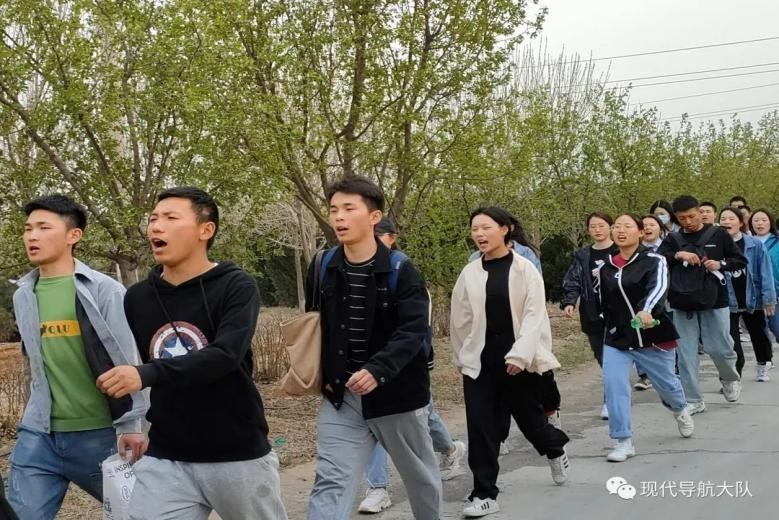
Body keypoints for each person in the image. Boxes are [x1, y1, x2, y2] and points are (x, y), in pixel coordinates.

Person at [97, 187, 287, 520]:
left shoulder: (236, 286)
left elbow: (226, 355)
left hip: (236, 452)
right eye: (153, 219)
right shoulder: (138, 298)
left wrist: (145, 374)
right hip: (167, 455)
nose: (156, 226)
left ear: (205, 230)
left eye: (171, 218)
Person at [305, 178, 441, 520]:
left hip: (397, 396)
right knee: (330, 482)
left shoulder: (400, 269)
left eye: (349, 208)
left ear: (373, 217)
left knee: (420, 479)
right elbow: (316, 320)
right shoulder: (324, 265)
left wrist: (378, 369)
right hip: (342, 395)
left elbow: (413, 330)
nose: (339, 217)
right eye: (334, 210)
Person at [8, 195, 147, 520]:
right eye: (28, 229)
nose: (32, 236)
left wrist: (132, 424)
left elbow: (128, 361)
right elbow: (34, 365)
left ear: (74, 235)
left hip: (100, 435)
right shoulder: (23, 295)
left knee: (137, 516)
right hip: (39, 437)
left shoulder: (104, 290)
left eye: (44, 227)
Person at [451, 206, 570, 518]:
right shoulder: (470, 273)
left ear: (505, 229)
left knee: (533, 424)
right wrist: (462, 356)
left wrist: (520, 355)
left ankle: (555, 449)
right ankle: (484, 493)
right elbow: (460, 319)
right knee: (481, 427)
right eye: (475, 229)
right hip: (481, 362)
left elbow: (534, 316)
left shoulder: (524, 269)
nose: (479, 234)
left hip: (519, 360)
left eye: (486, 227)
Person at [358, 217, 466, 515]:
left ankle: (449, 449)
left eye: (377, 234)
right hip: (367, 376)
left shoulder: (402, 270)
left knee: (427, 417)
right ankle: (378, 487)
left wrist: (424, 358)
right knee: (375, 426)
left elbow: (418, 328)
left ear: (391, 237)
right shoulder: (354, 270)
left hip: (407, 370)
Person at [597, 214, 694, 462]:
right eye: (617, 226)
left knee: (667, 385)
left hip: (653, 335)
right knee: (614, 384)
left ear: (640, 232)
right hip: (619, 337)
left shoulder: (654, 260)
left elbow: (658, 287)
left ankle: (680, 408)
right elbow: (603, 301)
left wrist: (646, 309)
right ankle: (623, 440)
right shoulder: (606, 267)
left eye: (627, 226)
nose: (621, 230)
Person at [657, 195, 746, 415]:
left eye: (692, 216)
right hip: (682, 301)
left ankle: (729, 377)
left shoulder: (718, 234)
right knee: (686, 353)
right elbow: (657, 262)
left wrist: (720, 264)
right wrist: (678, 254)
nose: (688, 221)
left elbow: (739, 260)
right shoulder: (672, 239)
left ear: (700, 212)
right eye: (682, 218)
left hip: (715, 299)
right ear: (676, 218)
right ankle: (693, 399)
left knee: (720, 347)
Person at [561, 212, 617, 419]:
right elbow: (573, 279)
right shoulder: (583, 255)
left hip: (617, 313)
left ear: (611, 227)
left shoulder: (620, 251)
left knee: (612, 359)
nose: (597, 230)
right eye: (593, 226)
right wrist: (570, 302)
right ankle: (616, 392)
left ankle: (610, 401)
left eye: (601, 225)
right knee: (602, 358)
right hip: (592, 312)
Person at [719, 207, 775, 381]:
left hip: (753, 297)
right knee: (731, 340)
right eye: (723, 218)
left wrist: (768, 299)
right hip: (727, 300)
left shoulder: (754, 244)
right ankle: (735, 376)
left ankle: (763, 364)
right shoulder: (716, 245)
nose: (727, 222)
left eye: (731, 218)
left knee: (759, 334)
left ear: (741, 222)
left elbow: (766, 272)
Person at [749, 208, 779, 352]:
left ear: (770, 222)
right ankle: (766, 359)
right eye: (756, 220)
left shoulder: (777, 241)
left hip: (775, 291)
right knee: (760, 330)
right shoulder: (746, 242)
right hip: (753, 293)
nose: (760, 223)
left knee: (776, 326)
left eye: (763, 220)